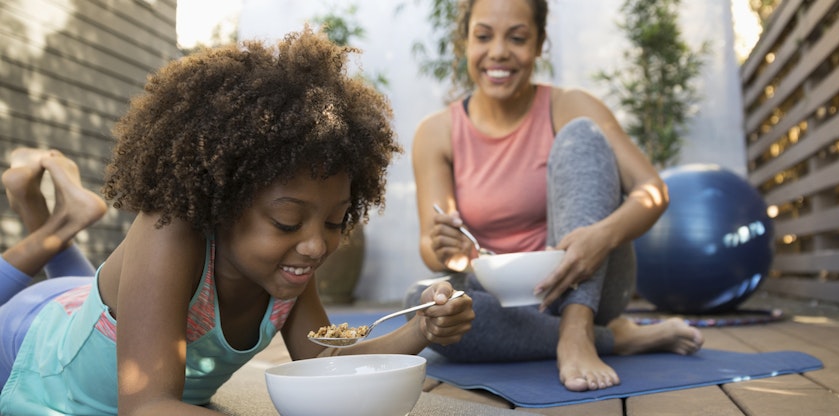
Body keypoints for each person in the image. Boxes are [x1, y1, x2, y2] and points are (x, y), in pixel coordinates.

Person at [0, 28, 474, 415]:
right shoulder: (171, 228)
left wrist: (421, 330)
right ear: (221, 206)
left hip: (86, 310)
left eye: (335, 221)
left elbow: (323, 360)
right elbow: (147, 405)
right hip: (26, 342)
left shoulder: (285, 266)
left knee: (91, 308)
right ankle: (36, 201)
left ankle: (54, 212)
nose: (314, 245)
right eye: (287, 222)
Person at [408, 0, 704, 393]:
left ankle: (579, 327)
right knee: (428, 303)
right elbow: (432, 246)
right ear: (465, 41)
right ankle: (619, 339)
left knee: (583, 135)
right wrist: (446, 248)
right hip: (500, 296)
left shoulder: (568, 106)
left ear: (539, 43)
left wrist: (603, 236)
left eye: (517, 38)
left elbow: (653, 191)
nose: (498, 52)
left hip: (587, 283)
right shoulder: (436, 132)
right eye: (483, 36)